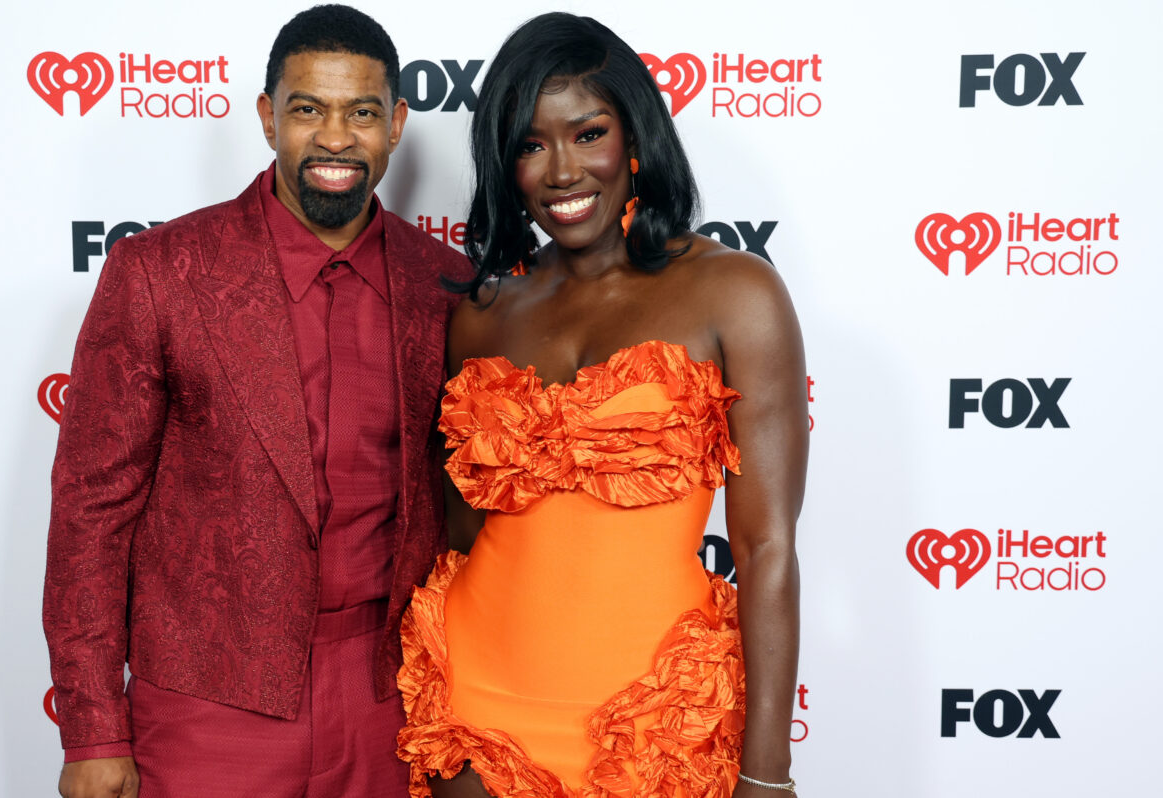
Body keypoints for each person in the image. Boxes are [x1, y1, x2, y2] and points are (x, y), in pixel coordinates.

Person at [42, 5, 468, 797]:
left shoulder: (446, 284)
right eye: (308, 109)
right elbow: (90, 513)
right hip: (207, 705)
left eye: (361, 113)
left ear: (396, 125)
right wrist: (93, 728)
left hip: (392, 702)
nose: (335, 138)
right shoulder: (160, 271)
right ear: (269, 118)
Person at [395, 12, 806, 798]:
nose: (561, 171)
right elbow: (461, 532)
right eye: (530, 145)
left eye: (588, 134)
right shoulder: (483, 314)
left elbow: (766, 549)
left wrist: (767, 773)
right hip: (476, 709)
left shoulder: (735, 293)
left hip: (656, 723)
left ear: (634, 135)